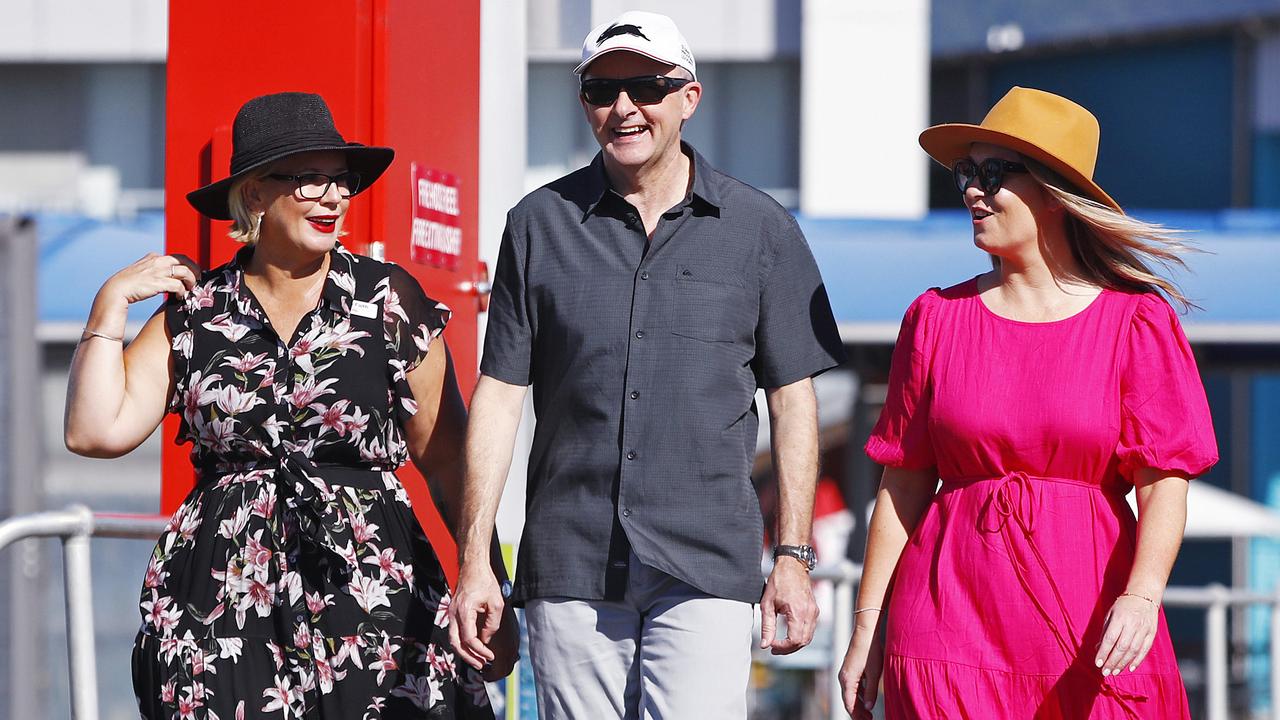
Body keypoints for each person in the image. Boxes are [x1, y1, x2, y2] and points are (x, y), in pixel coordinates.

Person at [446, 10, 845, 720]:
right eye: (602, 89)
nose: (624, 107)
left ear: (689, 98)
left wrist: (793, 556)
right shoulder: (536, 226)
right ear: (584, 104)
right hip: (570, 557)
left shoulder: (761, 230)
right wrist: (477, 560)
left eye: (646, 87)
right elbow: (500, 397)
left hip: (706, 560)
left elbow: (794, 403)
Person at [64, 91, 514, 719]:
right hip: (219, 604)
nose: (332, 196)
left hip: (369, 596)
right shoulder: (196, 313)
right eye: (308, 179)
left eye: (340, 180)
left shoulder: (387, 302)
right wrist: (109, 305)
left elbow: (449, 464)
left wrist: (485, 576)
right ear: (253, 195)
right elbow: (93, 432)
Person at [837, 86, 1219, 719]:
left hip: (1091, 620)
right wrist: (868, 628)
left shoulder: (1136, 323)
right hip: (945, 619)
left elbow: (1163, 484)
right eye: (966, 173)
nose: (971, 191)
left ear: (1055, 193)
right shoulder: (935, 318)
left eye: (993, 173)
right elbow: (902, 486)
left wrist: (1144, 595)